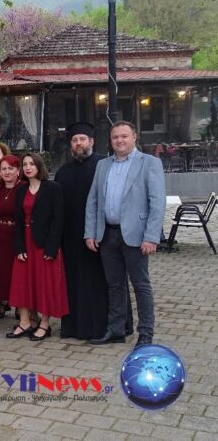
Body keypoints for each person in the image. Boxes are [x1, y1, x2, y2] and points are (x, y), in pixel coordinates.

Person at [85, 121, 166, 347]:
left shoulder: (149, 163)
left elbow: (157, 202)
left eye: (124, 136)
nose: (119, 140)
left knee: (141, 285)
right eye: (115, 137)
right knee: (115, 285)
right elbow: (93, 201)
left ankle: (146, 333)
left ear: (134, 137)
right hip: (107, 235)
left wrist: (151, 236)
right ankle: (116, 330)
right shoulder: (103, 165)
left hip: (136, 236)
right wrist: (90, 232)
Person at [55, 122, 133, 340]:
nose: (78, 143)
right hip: (71, 238)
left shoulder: (105, 166)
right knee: (76, 281)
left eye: (82, 139)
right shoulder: (63, 172)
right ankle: (77, 328)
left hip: (102, 235)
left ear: (91, 141)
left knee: (107, 282)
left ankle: (110, 326)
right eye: (74, 140)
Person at [8, 153, 68, 341]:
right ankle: (25, 322)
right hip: (25, 242)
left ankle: (44, 324)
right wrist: (19, 247)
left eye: (31, 164)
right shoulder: (21, 190)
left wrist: (52, 248)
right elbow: (18, 220)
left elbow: (58, 220)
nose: (28, 167)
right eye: (25, 164)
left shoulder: (53, 188)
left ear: (39, 166)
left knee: (45, 283)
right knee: (22, 282)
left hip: (44, 243)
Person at [0, 155, 25, 320]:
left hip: (18, 233)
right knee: (2, 270)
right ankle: (1, 303)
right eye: (3, 169)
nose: (7, 172)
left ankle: (20, 306)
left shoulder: (23, 187)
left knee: (17, 271)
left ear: (18, 170)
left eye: (10, 168)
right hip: (1, 234)